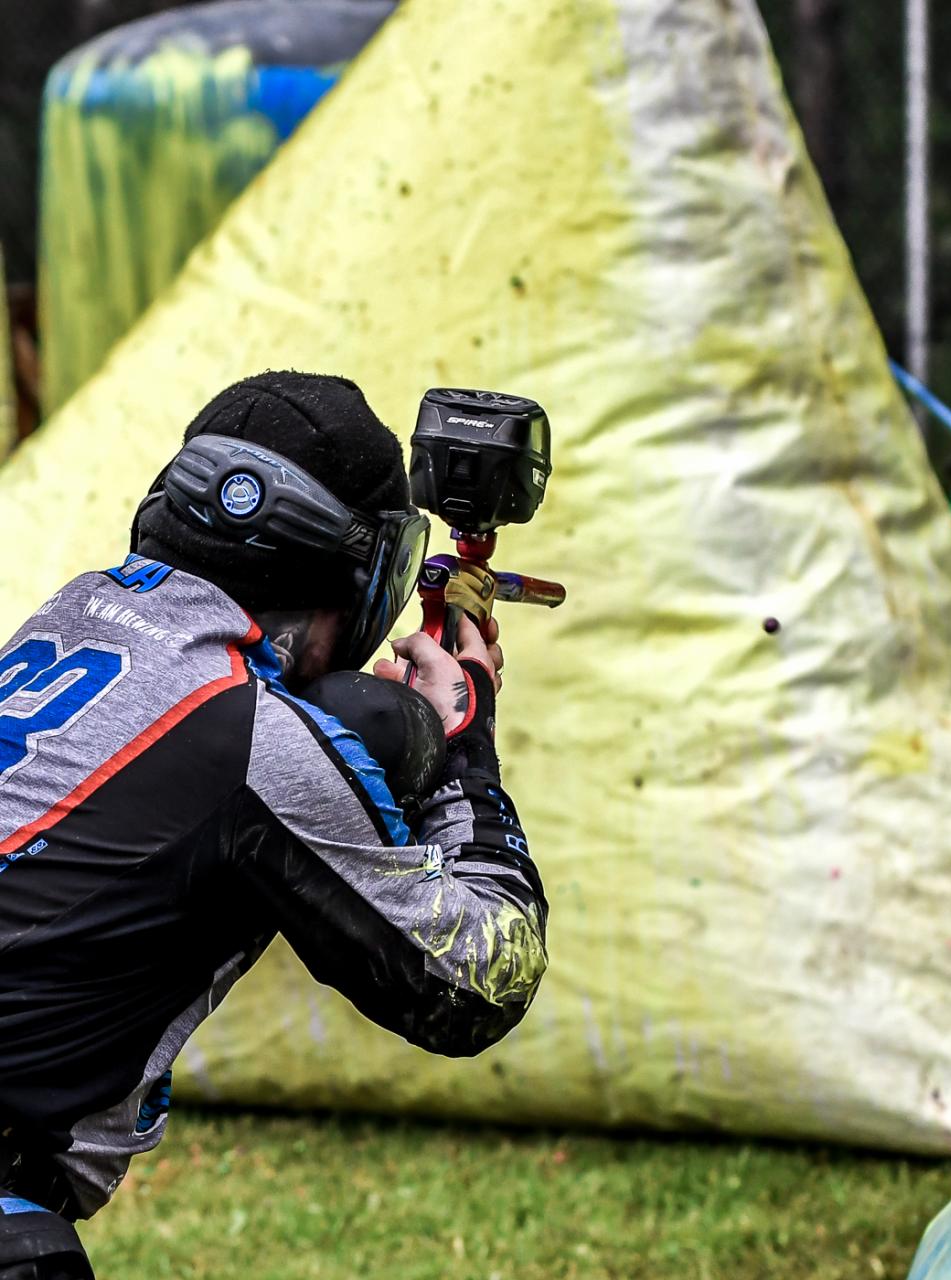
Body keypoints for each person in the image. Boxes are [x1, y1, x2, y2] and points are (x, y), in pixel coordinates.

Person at [0, 371, 548, 1279]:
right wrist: (463, 748)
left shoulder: (72, 616)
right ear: (358, 571)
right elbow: (480, 980)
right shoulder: (251, 737)